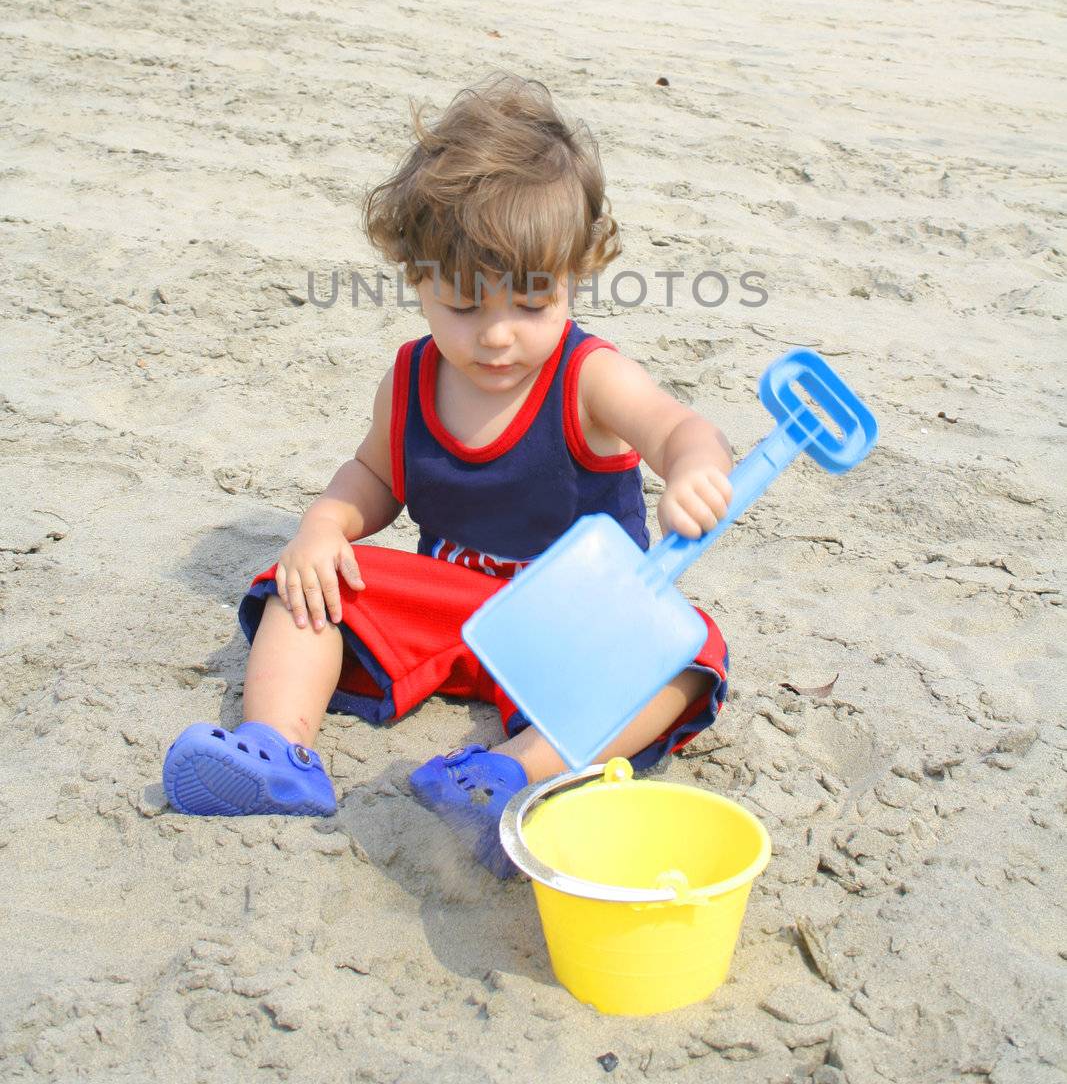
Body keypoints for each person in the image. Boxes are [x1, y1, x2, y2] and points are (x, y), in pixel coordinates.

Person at [163, 74, 733, 876]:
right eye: (465, 306)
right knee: (305, 583)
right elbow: (373, 476)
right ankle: (275, 751)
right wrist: (324, 526)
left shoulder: (586, 381)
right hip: (455, 610)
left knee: (685, 651)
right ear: (415, 279)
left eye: (532, 305)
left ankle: (514, 775)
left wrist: (694, 469)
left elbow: (678, 428)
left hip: (574, 624)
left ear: (575, 273)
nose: (498, 337)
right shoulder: (410, 379)